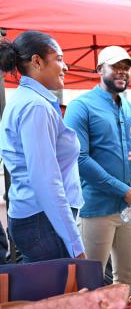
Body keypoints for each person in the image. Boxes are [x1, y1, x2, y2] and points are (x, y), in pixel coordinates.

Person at [64, 46, 131, 294]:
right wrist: (126, 191)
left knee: (128, 279)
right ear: (99, 69)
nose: (123, 72)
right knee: (90, 284)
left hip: (130, 210)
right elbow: (79, 160)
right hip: (97, 209)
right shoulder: (80, 106)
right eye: (116, 66)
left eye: (127, 68)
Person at [0, 30, 86, 262]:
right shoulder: (35, 106)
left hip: (39, 219)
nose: (65, 67)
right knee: (60, 297)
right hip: (43, 220)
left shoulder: (27, 100)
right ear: (37, 61)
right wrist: (75, 243)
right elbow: (46, 180)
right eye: (59, 58)